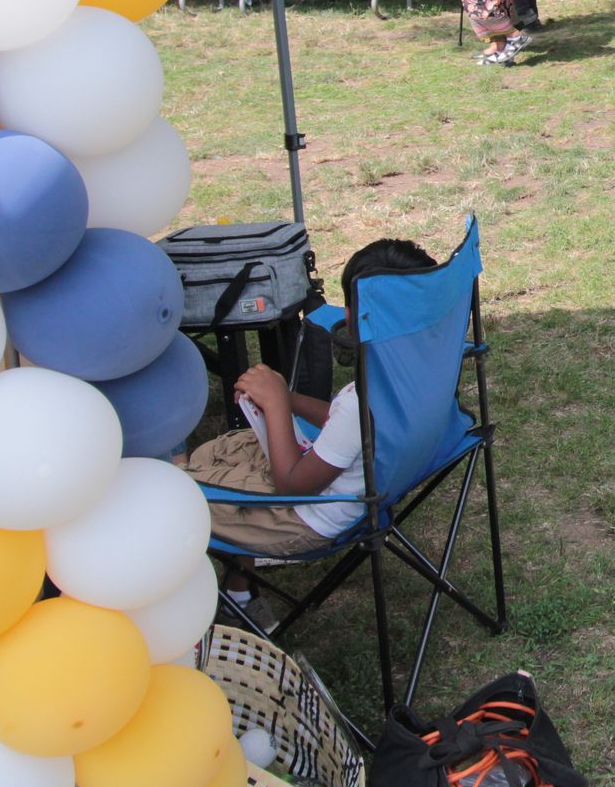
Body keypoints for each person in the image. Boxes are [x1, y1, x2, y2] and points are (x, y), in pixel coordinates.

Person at [181, 238, 437, 630]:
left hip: (304, 520)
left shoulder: (362, 402)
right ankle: (241, 590)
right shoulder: (420, 369)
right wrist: (287, 397)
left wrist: (276, 405)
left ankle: (227, 602)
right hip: (370, 485)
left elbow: (290, 485)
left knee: (178, 500)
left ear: (356, 316)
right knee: (233, 447)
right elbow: (349, 426)